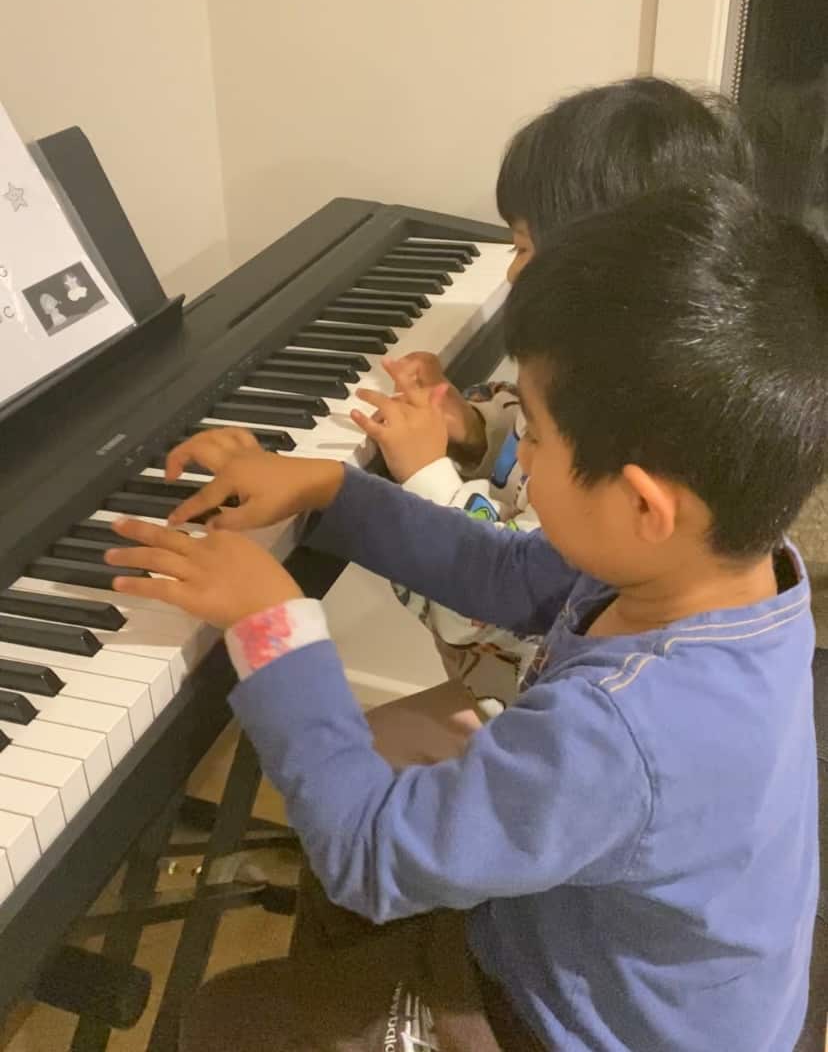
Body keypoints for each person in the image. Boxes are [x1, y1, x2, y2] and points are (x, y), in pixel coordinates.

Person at [106, 180, 826, 1052]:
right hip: (641, 963)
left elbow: (370, 852)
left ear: (644, 506)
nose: (523, 457)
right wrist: (334, 489)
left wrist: (272, 621)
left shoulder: (624, 731)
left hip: (593, 1027)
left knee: (225, 1023)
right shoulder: (724, 564)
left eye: (539, 439)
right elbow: (508, 570)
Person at [353, 77, 756, 751]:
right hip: (521, 689)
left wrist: (425, 471)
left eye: (523, 247)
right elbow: (533, 448)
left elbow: (485, 599)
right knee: (367, 746)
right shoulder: (616, 369)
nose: (512, 274)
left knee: (357, 763)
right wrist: (473, 431)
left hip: (557, 721)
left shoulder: (635, 460)